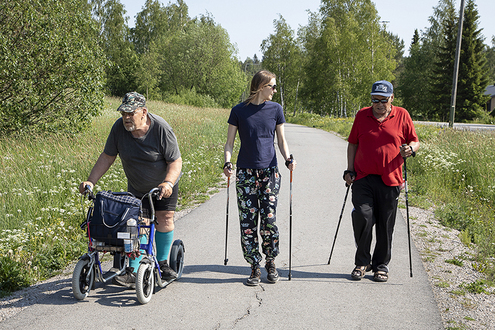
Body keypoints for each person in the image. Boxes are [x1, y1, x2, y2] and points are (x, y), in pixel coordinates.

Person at [79, 92, 182, 287]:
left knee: (165, 219)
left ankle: (161, 263)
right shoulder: (119, 129)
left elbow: (175, 161)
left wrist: (168, 183)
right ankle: (133, 269)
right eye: (123, 113)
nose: (126, 118)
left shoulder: (161, 129)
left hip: (164, 185)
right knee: (135, 224)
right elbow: (107, 157)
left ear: (143, 112)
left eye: (130, 113)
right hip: (137, 187)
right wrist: (90, 181)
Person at [223, 70, 296, 286]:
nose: (275, 90)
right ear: (260, 86)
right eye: (272, 86)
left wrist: (288, 158)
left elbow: (281, 141)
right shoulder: (239, 111)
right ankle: (254, 265)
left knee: (269, 220)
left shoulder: (276, 109)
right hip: (246, 172)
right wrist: (228, 162)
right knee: (247, 222)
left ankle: (271, 262)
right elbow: (229, 143)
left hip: (269, 172)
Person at [344, 80, 419, 283]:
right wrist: (349, 170)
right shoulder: (362, 115)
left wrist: (410, 149)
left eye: (383, 100)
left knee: (386, 225)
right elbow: (352, 143)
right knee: (363, 216)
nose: (378, 104)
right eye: (375, 100)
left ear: (391, 99)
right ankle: (362, 262)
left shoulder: (402, 115)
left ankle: (381, 265)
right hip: (363, 177)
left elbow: (415, 140)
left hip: (390, 179)